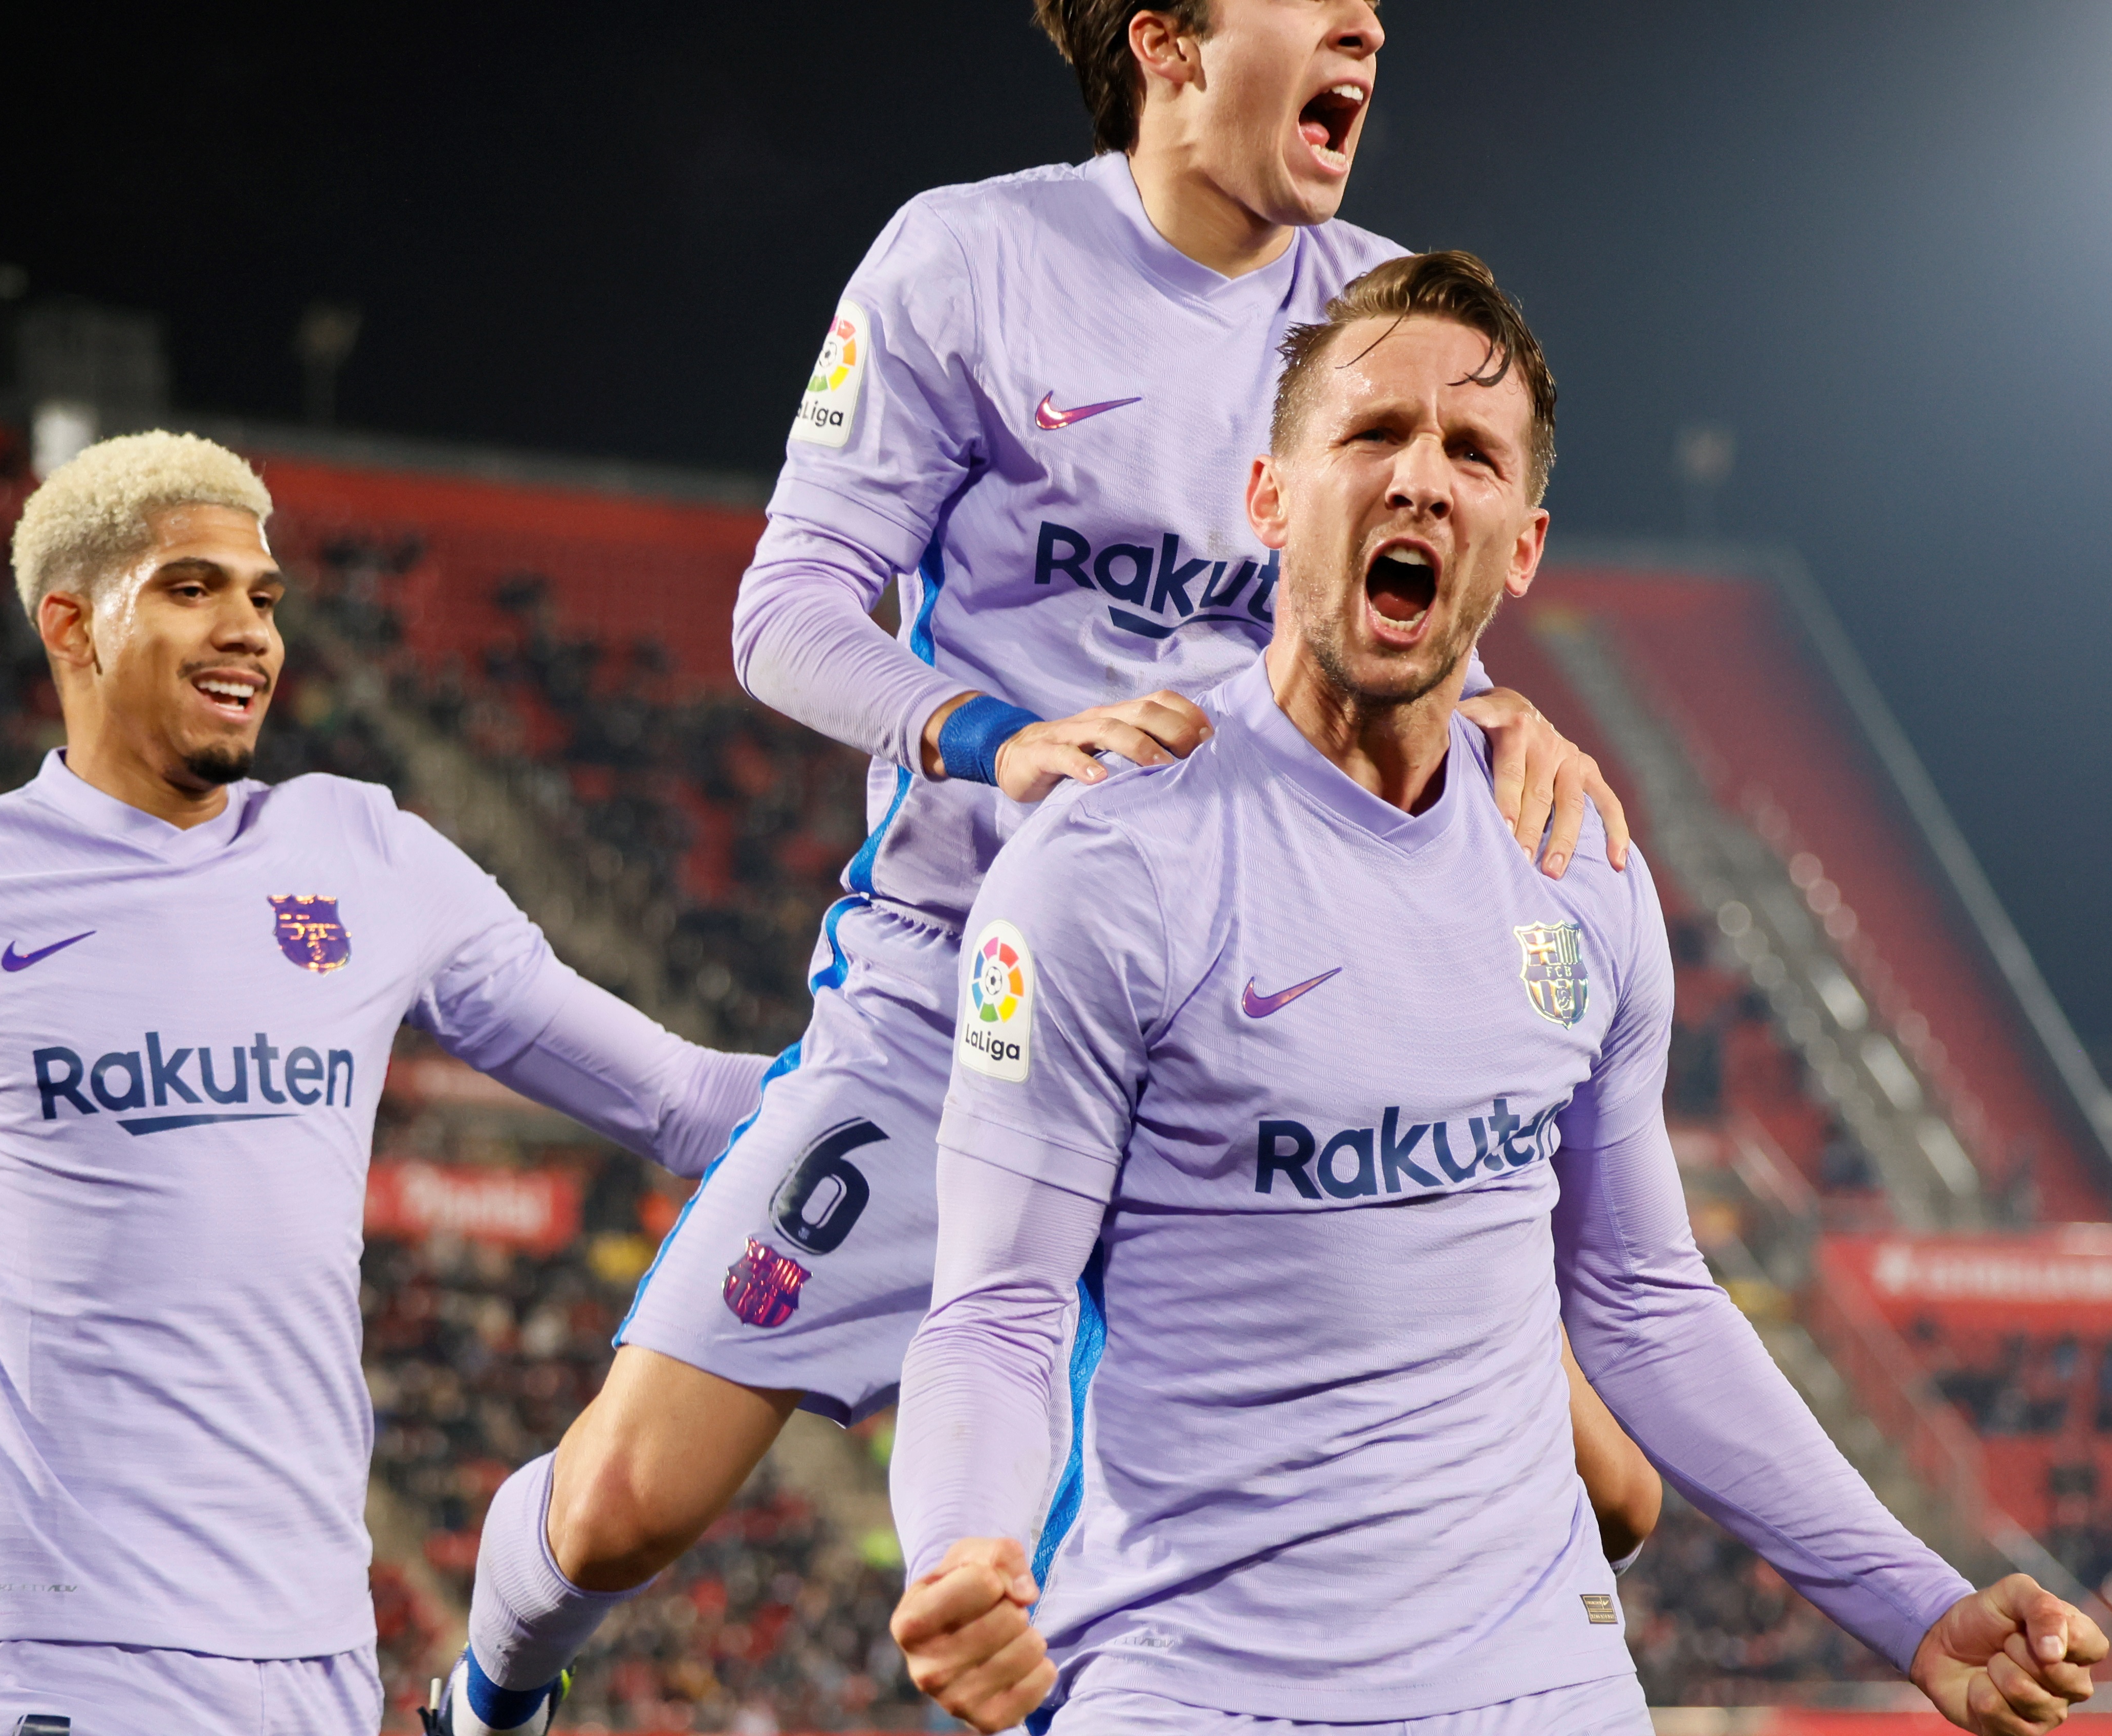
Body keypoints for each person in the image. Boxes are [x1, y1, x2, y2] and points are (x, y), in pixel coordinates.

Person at [440, 5, 1662, 1730]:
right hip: (958, 999)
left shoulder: (1386, 315)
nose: (1367, 22)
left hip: (1251, 1030)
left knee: (1608, 1498)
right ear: (1167, 42)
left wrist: (1503, 712)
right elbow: (787, 612)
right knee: (621, 1508)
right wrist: (996, 737)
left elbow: (1404, 624)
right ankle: (484, 1692)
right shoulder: (971, 264)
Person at [884, 252, 2110, 1736]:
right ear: (1270, 499)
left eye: (1470, 452)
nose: (1420, 478)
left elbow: (1646, 1298)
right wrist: (963, 1549)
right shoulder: (1108, 862)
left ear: (1520, 547)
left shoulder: (1580, 868)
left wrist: (1913, 1603)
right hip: (1196, 1685)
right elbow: (1000, 1309)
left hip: (1544, 1685)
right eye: (1371, 433)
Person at [0, 430, 772, 1735]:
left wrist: (975, 1092)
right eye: (192, 588)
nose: (249, 630)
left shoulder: (364, 854)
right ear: (71, 624)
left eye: (265, 597)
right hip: (56, 1650)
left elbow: (689, 1103)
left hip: (319, 1657)